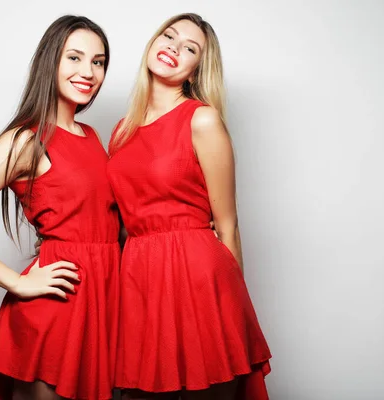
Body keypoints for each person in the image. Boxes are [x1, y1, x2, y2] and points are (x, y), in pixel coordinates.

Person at [0, 15, 120, 400]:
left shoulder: (92, 136)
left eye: (98, 62)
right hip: (59, 304)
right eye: (75, 58)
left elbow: (105, 219)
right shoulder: (25, 141)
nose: (89, 72)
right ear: (50, 62)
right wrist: (17, 282)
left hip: (105, 300)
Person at [107, 13, 272, 400]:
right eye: (168, 36)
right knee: (140, 391)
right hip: (139, 275)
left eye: (189, 48)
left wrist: (232, 310)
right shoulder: (120, 130)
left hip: (196, 274)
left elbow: (227, 224)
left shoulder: (202, 120)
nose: (173, 48)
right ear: (152, 42)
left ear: (196, 69)